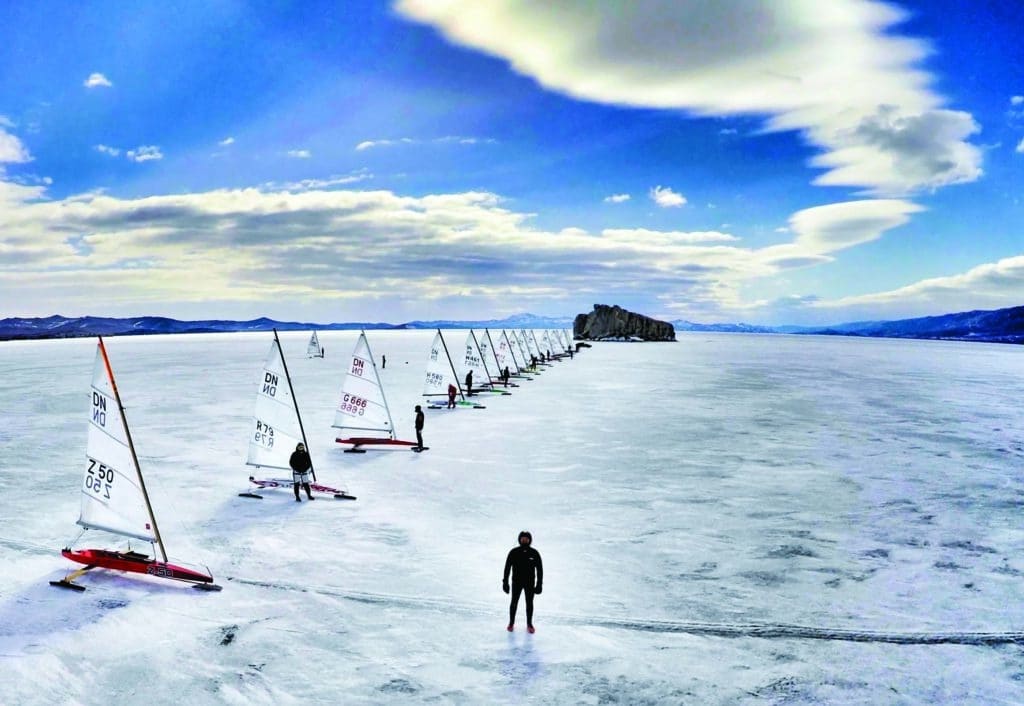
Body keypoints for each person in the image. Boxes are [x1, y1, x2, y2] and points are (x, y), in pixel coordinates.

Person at [503, 530, 543, 633]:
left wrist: (539, 584)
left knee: (529, 603)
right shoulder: (514, 552)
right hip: (516, 582)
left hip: (529, 583)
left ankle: (529, 624)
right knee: (514, 603)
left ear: (530, 540)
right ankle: (511, 623)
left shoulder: (534, 553)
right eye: (523, 538)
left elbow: (539, 570)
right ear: (519, 539)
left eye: (526, 538)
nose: (524, 540)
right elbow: (507, 568)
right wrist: (505, 582)